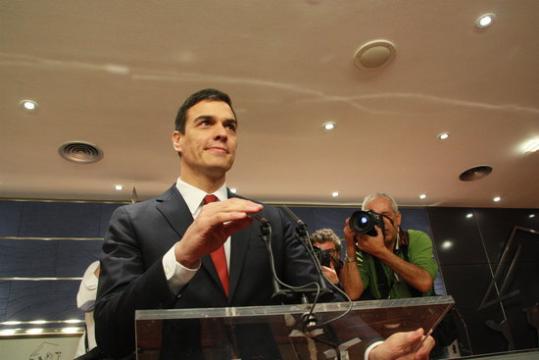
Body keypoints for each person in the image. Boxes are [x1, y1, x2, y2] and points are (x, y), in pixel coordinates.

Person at [94, 89, 435, 359]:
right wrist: (180, 259)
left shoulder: (270, 219)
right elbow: (111, 332)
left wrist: (374, 349)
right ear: (177, 140)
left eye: (230, 126)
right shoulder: (132, 220)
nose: (221, 133)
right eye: (205, 123)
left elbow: (320, 298)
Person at [340, 193, 438, 300]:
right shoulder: (363, 247)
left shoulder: (415, 239)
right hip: (384, 315)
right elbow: (352, 294)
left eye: (386, 215)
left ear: (398, 218)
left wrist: (380, 252)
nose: (381, 222)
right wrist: (350, 247)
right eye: (374, 217)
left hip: (423, 312)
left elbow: (424, 283)